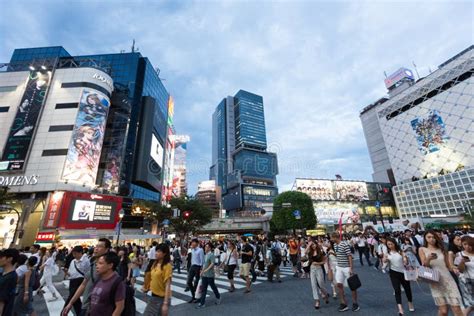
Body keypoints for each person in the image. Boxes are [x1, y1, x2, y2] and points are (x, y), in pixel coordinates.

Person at [62, 237, 112, 316]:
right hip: (86, 305)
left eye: (100, 246)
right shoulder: (92, 263)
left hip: (98, 307)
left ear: (107, 249)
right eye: (96, 246)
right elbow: (83, 284)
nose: (96, 248)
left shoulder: (108, 267)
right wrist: (70, 303)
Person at [419, 230, 463, 316]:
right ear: (425, 238)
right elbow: (424, 266)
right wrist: (428, 259)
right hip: (435, 280)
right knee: (443, 311)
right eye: (429, 237)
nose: (432, 239)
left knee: (456, 308)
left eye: (433, 237)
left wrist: (456, 268)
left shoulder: (442, 249)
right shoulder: (422, 249)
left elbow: (449, 266)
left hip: (448, 279)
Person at [383, 237, 415, 316]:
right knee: (397, 290)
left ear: (395, 243)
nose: (390, 246)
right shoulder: (387, 253)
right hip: (393, 273)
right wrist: (385, 260)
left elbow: (406, 262)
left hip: (403, 272)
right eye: (388, 244)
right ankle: (400, 309)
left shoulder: (401, 251)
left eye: (391, 244)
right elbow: (384, 261)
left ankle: (410, 302)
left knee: (407, 288)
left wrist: (405, 259)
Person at [330, 232, 359, 312]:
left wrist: (351, 268)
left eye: (331, 238)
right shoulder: (335, 245)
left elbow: (349, 256)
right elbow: (338, 255)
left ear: (335, 237)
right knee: (339, 285)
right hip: (339, 267)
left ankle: (355, 303)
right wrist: (332, 253)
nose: (331, 239)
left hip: (346, 267)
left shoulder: (344, 244)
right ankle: (343, 303)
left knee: (352, 285)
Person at [143, 243, 172, 316]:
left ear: (164, 253)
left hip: (161, 299)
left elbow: (168, 285)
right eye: (156, 251)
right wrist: (147, 288)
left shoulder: (167, 266)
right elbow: (153, 279)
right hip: (153, 296)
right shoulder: (155, 263)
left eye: (159, 251)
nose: (156, 253)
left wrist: (165, 304)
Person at [63, 246, 89, 316]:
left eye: (75, 253)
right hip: (72, 281)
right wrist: (65, 272)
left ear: (80, 253)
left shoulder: (86, 261)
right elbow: (70, 273)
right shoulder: (73, 261)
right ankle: (80, 313)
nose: (74, 255)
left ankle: (63, 313)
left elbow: (88, 273)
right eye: (73, 254)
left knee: (71, 298)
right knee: (76, 300)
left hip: (80, 281)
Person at [196, 243, 221, 308]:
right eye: (205, 247)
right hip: (204, 275)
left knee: (213, 287)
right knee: (204, 289)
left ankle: (218, 297)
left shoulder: (211, 255)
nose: (205, 248)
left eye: (207, 247)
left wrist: (206, 270)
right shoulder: (205, 255)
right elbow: (204, 264)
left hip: (210, 275)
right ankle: (202, 303)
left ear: (210, 248)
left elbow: (212, 264)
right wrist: (202, 271)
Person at [454, 235, 473, 316]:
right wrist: (462, 262)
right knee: (471, 304)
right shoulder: (459, 254)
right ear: (462, 244)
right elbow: (460, 270)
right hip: (466, 281)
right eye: (465, 244)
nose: (467, 247)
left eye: (470, 244)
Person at [307, 241, 329, 309]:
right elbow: (304, 253)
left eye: (314, 244)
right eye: (312, 245)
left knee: (321, 284)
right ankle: (317, 301)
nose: (313, 246)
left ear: (316, 244)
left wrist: (317, 263)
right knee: (313, 285)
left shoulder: (321, 252)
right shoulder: (310, 252)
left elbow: (325, 261)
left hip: (319, 268)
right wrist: (308, 245)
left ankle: (325, 294)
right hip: (312, 269)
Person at [0, 248, 19, 316]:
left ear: (9, 259)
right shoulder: (4, 274)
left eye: (1, 257)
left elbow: (1, 302)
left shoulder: (9, 277)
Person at [186, 238, 204, 303]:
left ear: (196, 243)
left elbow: (202, 260)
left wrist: (201, 269)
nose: (192, 244)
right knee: (189, 281)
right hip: (192, 266)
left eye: (193, 242)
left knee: (196, 283)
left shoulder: (200, 250)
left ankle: (196, 297)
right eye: (191, 242)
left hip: (198, 267)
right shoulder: (192, 250)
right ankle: (194, 295)